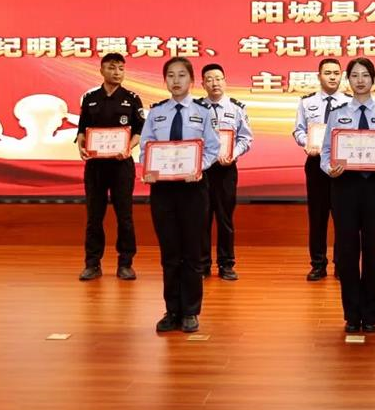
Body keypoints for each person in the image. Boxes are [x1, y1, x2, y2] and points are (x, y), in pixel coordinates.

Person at [321, 57, 375, 334]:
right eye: (354, 75)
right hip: (344, 186)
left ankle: (371, 314)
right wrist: (329, 169)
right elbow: (326, 151)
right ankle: (351, 314)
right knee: (346, 251)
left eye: (365, 75)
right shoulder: (337, 114)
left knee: (373, 250)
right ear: (349, 80)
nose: (360, 80)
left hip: (374, 187)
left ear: (373, 79)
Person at [140, 56, 220, 333]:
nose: (176, 81)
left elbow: (213, 148)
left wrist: (199, 167)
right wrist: (148, 169)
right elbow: (146, 147)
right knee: (170, 252)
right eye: (171, 76)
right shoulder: (156, 112)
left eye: (182, 75)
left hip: (193, 188)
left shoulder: (203, 112)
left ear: (192, 81)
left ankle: (190, 312)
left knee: (192, 252)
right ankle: (171, 310)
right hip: (162, 190)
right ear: (165, 81)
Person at [75, 53, 144, 281]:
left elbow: (139, 130)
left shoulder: (132, 98)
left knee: (125, 216)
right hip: (95, 167)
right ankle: (92, 264)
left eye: (121, 68)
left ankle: (125, 263)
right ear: (102, 70)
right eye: (112, 68)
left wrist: (129, 147)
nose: (117, 72)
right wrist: (82, 145)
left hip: (121, 165)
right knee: (94, 217)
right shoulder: (90, 98)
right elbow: (82, 129)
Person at [293, 58, 348, 281]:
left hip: (342, 165)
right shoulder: (307, 102)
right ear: (319, 76)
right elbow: (298, 130)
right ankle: (318, 264)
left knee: (343, 217)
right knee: (317, 217)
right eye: (328, 73)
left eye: (336, 73)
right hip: (316, 164)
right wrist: (307, 143)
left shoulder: (350, 101)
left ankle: (342, 264)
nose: (332, 77)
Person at [200, 63, 253, 281]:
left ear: (225, 81)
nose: (214, 83)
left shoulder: (236, 108)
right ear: (203, 84)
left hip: (226, 171)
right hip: (202, 171)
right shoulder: (196, 108)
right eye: (209, 79)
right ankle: (202, 264)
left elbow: (246, 138)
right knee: (201, 219)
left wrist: (234, 153)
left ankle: (226, 264)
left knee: (225, 219)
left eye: (218, 78)